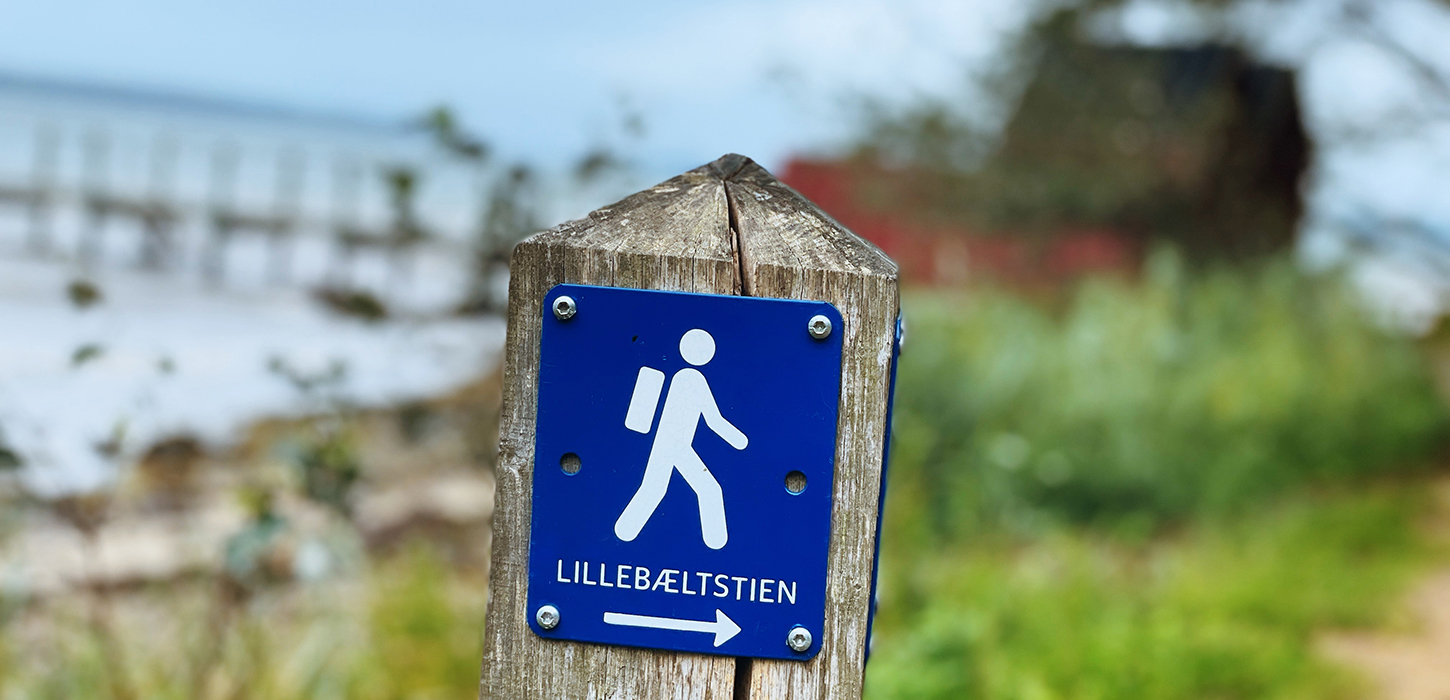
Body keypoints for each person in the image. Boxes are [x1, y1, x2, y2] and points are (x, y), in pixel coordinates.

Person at [614, 329, 747, 550]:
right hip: (672, 445)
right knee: (705, 489)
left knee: (656, 488)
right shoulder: (690, 379)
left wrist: (738, 440)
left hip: (674, 445)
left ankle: (624, 533)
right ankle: (716, 545)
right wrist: (739, 441)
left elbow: (713, 420)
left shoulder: (688, 378)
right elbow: (714, 420)